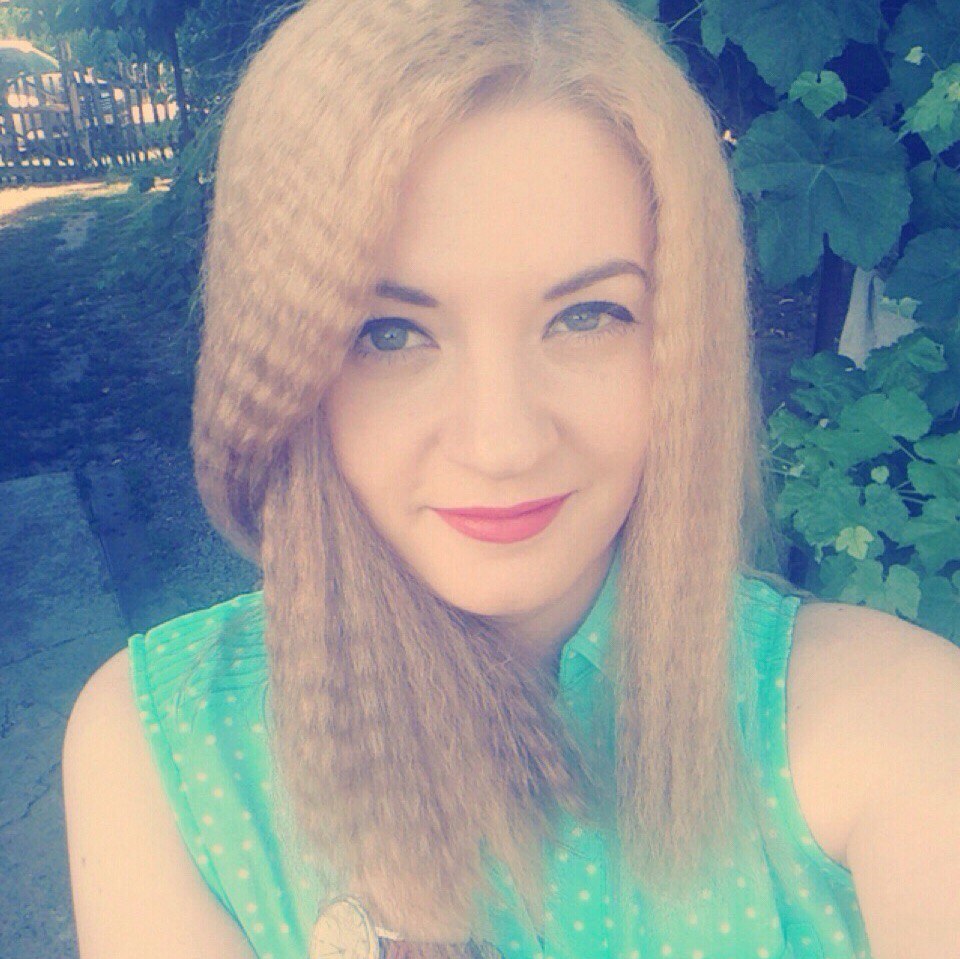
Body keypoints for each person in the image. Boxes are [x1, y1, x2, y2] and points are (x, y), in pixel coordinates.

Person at [61, 1, 960, 957]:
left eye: (587, 316)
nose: (502, 443)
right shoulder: (168, 748)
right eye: (390, 333)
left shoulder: (894, 724)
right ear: (279, 364)